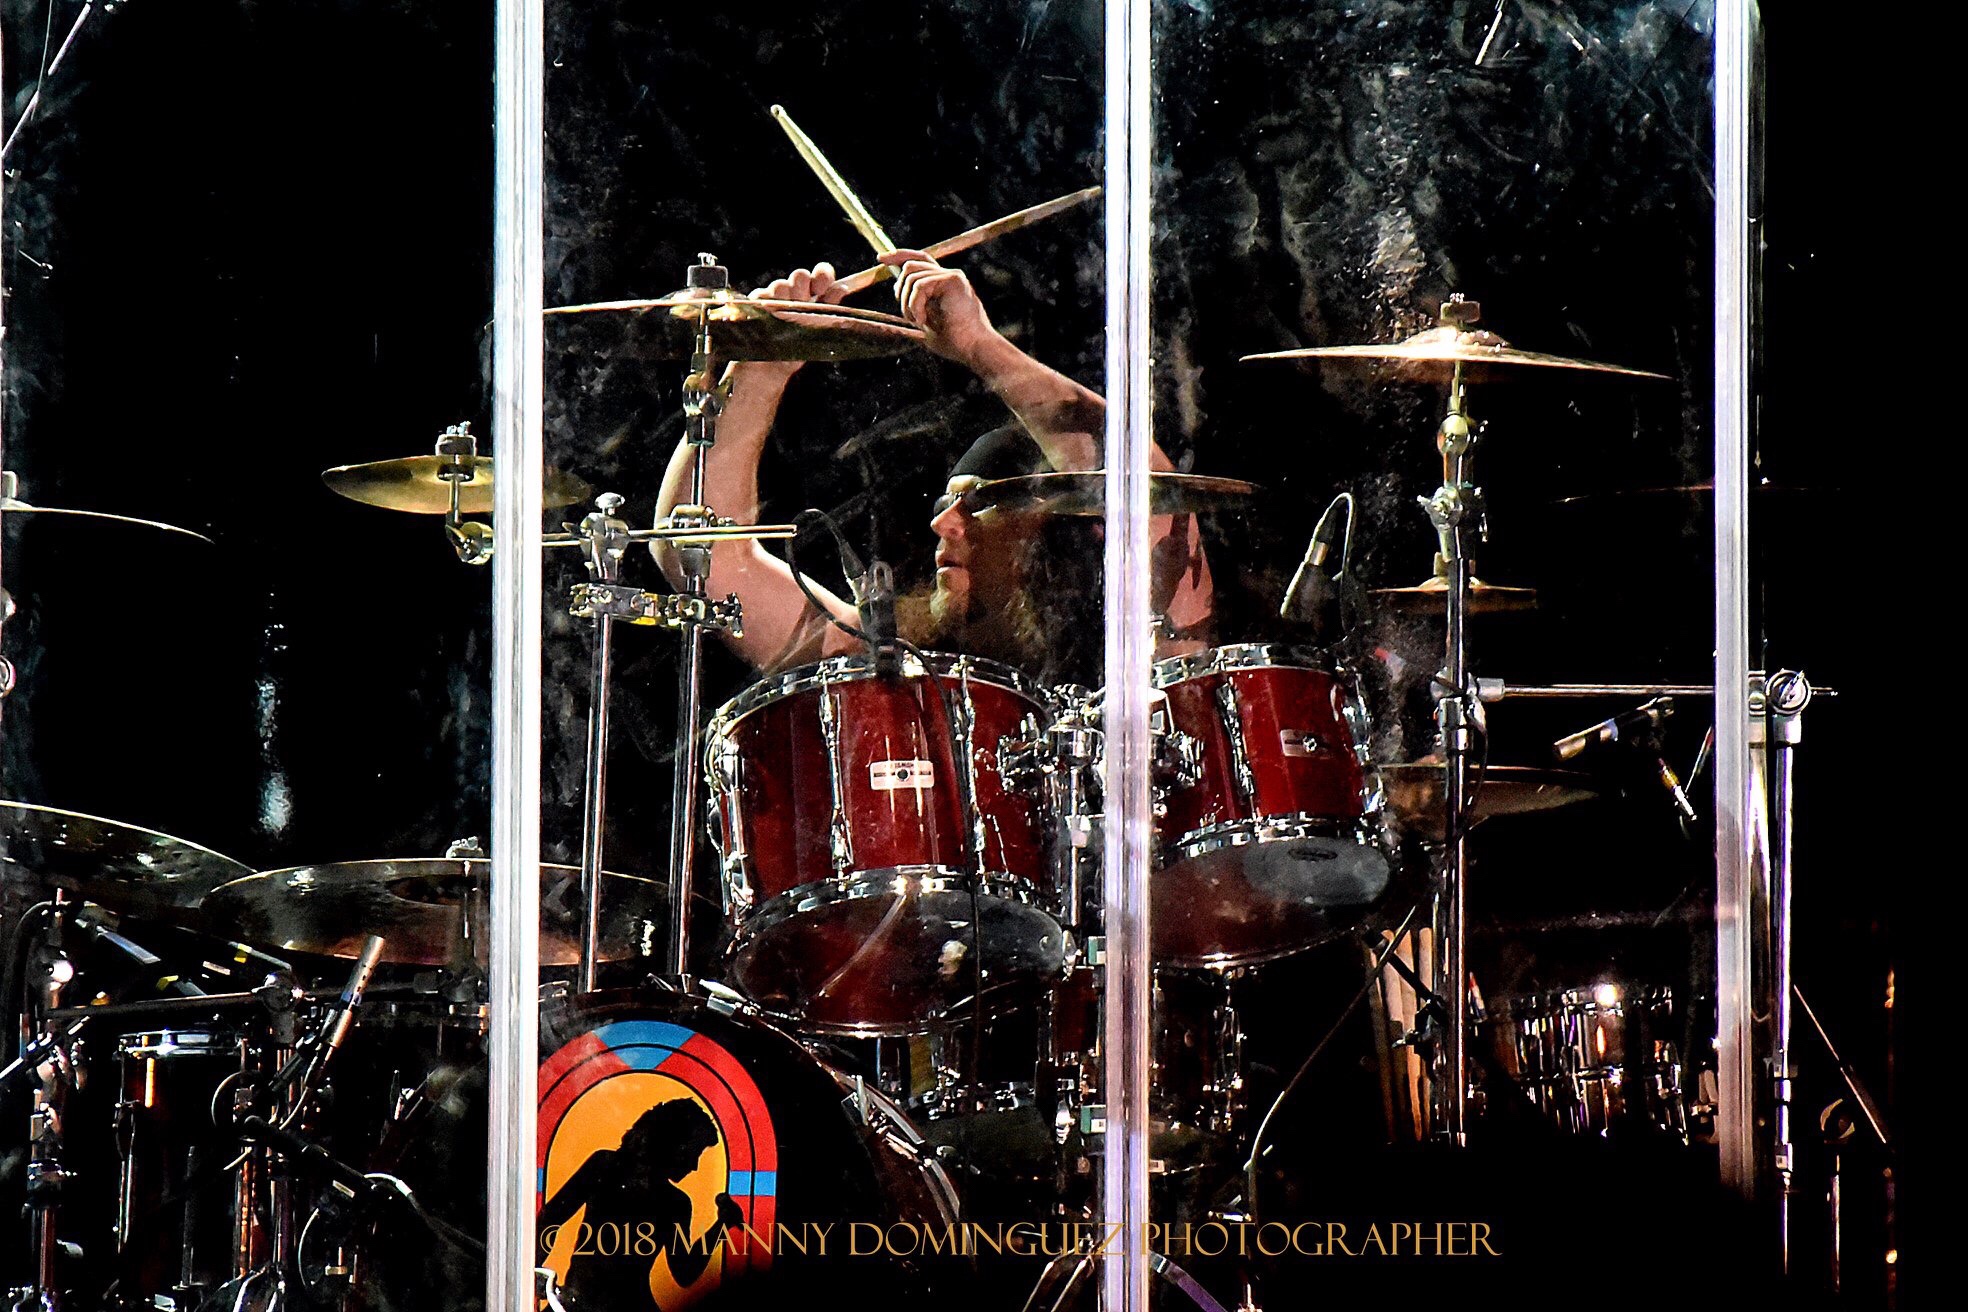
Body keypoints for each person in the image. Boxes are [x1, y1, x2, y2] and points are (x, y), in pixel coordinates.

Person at [652, 251, 1215, 680]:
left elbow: (1150, 491)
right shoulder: (896, 662)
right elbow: (699, 554)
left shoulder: (1147, 645)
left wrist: (978, 344)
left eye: (976, 505)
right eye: (947, 504)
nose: (942, 524)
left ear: (1054, 525)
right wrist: (761, 366)